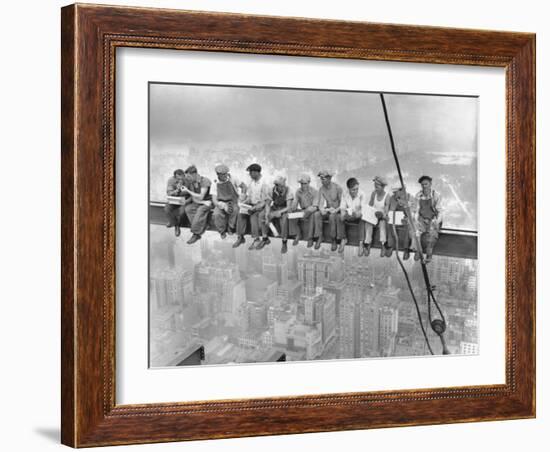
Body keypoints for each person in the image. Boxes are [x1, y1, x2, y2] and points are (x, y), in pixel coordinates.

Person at [233, 163, 271, 250]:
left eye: (250, 172)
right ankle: (240, 237)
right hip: (252, 205)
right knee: (241, 214)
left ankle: (257, 239)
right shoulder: (251, 183)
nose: (250, 175)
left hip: (262, 207)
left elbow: (266, 200)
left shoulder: (264, 183)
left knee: (253, 216)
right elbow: (250, 197)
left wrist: (255, 208)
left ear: (256, 172)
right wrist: (244, 203)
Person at [412, 175, 444, 263]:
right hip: (422, 218)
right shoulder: (418, 195)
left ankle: (429, 255)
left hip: (433, 218)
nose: (424, 186)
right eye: (422, 185)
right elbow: (416, 210)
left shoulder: (436, 195)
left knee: (431, 236)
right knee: (416, 232)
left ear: (430, 184)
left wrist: (436, 221)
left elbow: (440, 211)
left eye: (426, 184)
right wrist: (416, 220)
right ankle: (418, 251)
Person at [179, 165, 213, 244]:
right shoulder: (192, 183)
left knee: (200, 210)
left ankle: (196, 234)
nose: (187, 178)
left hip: (209, 202)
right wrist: (202, 202)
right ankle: (203, 225)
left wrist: (188, 191)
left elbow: (201, 196)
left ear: (194, 174)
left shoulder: (205, 181)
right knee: (188, 208)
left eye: (189, 176)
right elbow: (194, 198)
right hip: (201, 202)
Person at [312, 170, 344, 251]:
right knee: (317, 214)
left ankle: (333, 240)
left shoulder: (337, 188)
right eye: (321, 179)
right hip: (329, 210)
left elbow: (343, 204)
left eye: (324, 179)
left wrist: (336, 210)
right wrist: (322, 209)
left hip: (337, 211)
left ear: (329, 179)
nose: (322, 180)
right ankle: (320, 236)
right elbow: (321, 203)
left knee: (332, 217)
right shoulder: (321, 189)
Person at [211, 164, 244, 239]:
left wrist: (243, 195)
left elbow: (243, 186)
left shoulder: (233, 178)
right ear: (218, 174)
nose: (225, 176)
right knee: (216, 214)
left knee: (235, 210)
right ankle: (222, 231)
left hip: (233, 201)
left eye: (226, 174)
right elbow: (214, 200)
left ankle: (231, 227)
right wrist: (222, 205)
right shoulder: (214, 182)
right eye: (223, 175)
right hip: (221, 202)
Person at [262, 176, 293, 253]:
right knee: (263, 215)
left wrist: (279, 212)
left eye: (279, 185)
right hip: (275, 207)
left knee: (284, 219)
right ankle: (265, 238)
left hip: (284, 209)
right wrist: (267, 214)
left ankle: (284, 241)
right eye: (277, 185)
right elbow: (268, 204)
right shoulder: (272, 190)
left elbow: (289, 207)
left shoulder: (289, 191)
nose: (278, 187)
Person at [339, 177, 367, 255]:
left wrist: (358, 213)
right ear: (349, 189)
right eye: (353, 190)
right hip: (349, 215)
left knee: (362, 219)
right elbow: (342, 207)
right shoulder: (345, 194)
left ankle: (361, 243)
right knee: (340, 218)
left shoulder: (362, 194)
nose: (355, 191)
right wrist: (343, 214)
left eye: (357, 189)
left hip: (358, 215)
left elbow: (363, 209)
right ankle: (343, 239)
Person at [289, 174, 319, 248]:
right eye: (301, 184)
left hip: (312, 210)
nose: (303, 185)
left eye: (305, 183)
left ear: (309, 183)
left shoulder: (314, 191)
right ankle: (298, 234)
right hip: (303, 210)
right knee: (292, 215)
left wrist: (308, 211)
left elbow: (315, 206)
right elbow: (295, 203)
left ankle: (310, 238)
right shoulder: (298, 191)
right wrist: (292, 206)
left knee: (312, 215)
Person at [365, 176, 391, 257]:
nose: (375, 188)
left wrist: (382, 215)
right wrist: (368, 212)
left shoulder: (387, 196)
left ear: (382, 187)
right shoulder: (374, 193)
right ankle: (367, 243)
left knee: (382, 225)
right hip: (374, 215)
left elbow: (386, 210)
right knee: (368, 223)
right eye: (375, 186)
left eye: (377, 186)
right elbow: (370, 205)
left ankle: (383, 245)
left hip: (382, 217)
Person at [385, 187, 414, 260]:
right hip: (395, 219)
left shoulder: (410, 198)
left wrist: (407, 216)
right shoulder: (392, 198)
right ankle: (390, 245)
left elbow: (413, 213)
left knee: (409, 225)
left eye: (396, 192)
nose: (394, 194)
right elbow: (389, 210)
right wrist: (388, 215)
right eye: (394, 192)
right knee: (388, 223)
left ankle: (406, 248)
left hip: (406, 219)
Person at [164, 169, 191, 237]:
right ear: (175, 177)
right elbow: (169, 193)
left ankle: (177, 225)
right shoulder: (171, 180)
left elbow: (192, 195)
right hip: (174, 199)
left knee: (182, 212)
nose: (180, 180)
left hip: (184, 200)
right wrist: (176, 191)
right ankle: (174, 223)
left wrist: (186, 201)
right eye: (178, 178)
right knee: (167, 209)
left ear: (184, 176)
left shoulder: (188, 181)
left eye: (182, 178)